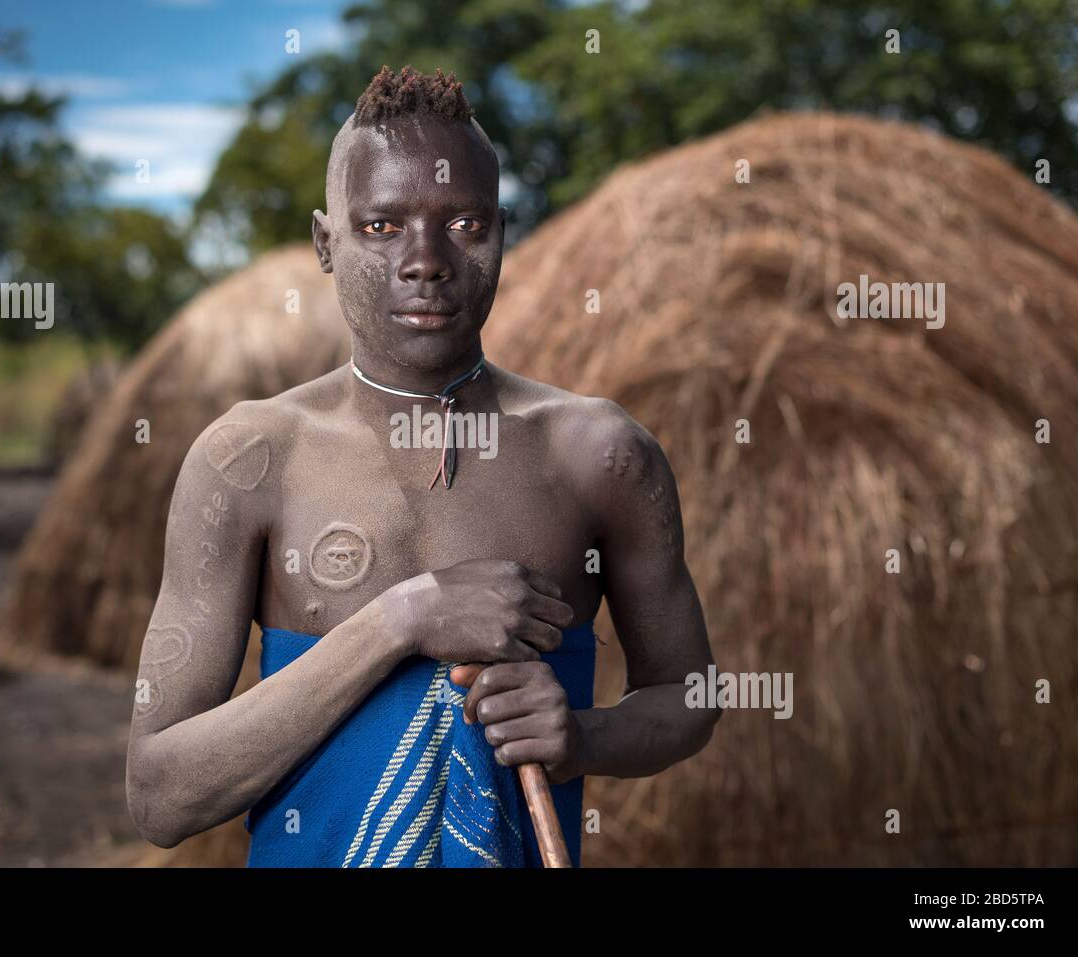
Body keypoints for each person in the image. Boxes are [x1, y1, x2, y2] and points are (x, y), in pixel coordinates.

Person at [125, 66, 718, 867]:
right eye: (381, 227)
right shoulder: (248, 461)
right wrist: (398, 622)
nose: (425, 259)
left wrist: (584, 733)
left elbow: (691, 697)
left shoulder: (599, 454)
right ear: (325, 245)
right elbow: (160, 793)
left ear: (503, 231)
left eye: (465, 223)